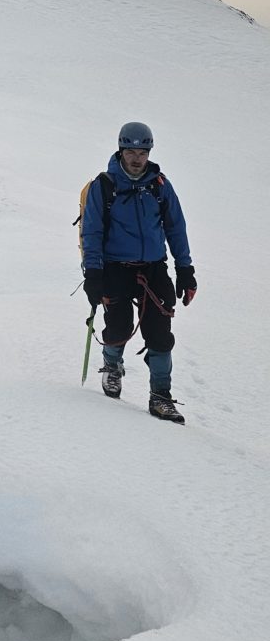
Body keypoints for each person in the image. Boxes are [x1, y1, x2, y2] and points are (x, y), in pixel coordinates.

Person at [81, 122, 196, 423]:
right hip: (115, 268)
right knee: (118, 328)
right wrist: (93, 273)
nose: (136, 158)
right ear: (121, 150)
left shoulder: (159, 185)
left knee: (160, 334)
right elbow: (92, 232)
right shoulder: (104, 186)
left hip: (154, 268)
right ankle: (112, 366)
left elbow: (176, 228)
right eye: (131, 152)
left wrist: (185, 269)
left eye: (142, 152)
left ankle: (161, 396)